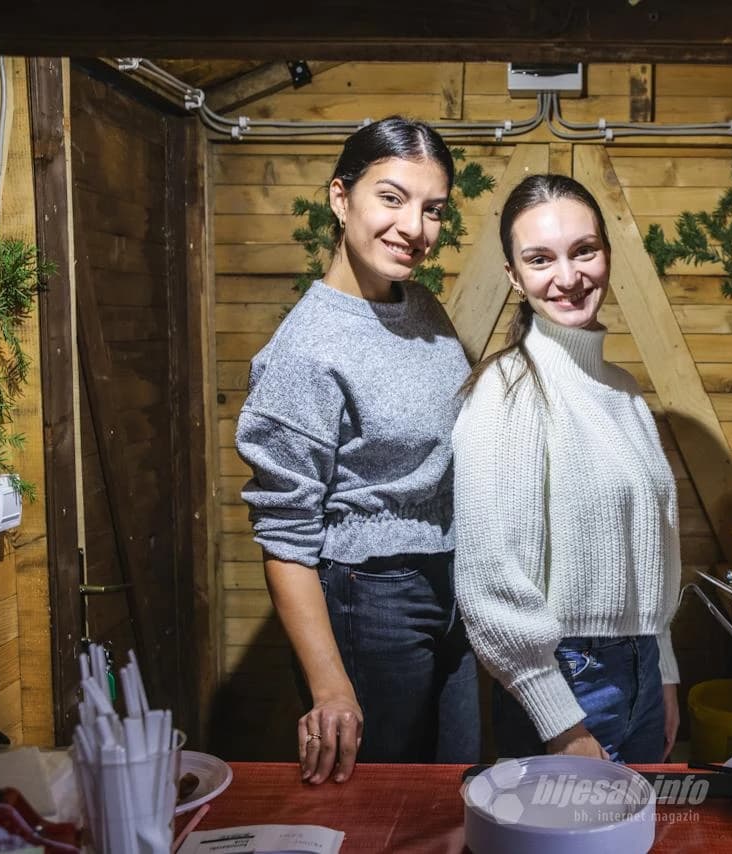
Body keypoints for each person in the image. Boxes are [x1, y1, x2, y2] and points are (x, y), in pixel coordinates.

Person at [235, 117, 477, 785]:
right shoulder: (304, 349)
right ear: (341, 198)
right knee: (382, 801)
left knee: (459, 787)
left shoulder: (421, 306)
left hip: (452, 582)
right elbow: (284, 535)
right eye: (392, 198)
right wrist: (330, 686)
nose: (415, 228)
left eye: (432, 210)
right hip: (368, 597)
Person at [453, 174, 681, 763]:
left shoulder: (624, 390)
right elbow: (489, 578)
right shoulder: (506, 393)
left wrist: (665, 671)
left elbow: (652, 554)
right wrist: (561, 723)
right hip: (564, 681)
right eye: (540, 259)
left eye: (584, 250)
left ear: (606, 252)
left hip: (644, 672)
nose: (569, 277)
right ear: (513, 275)